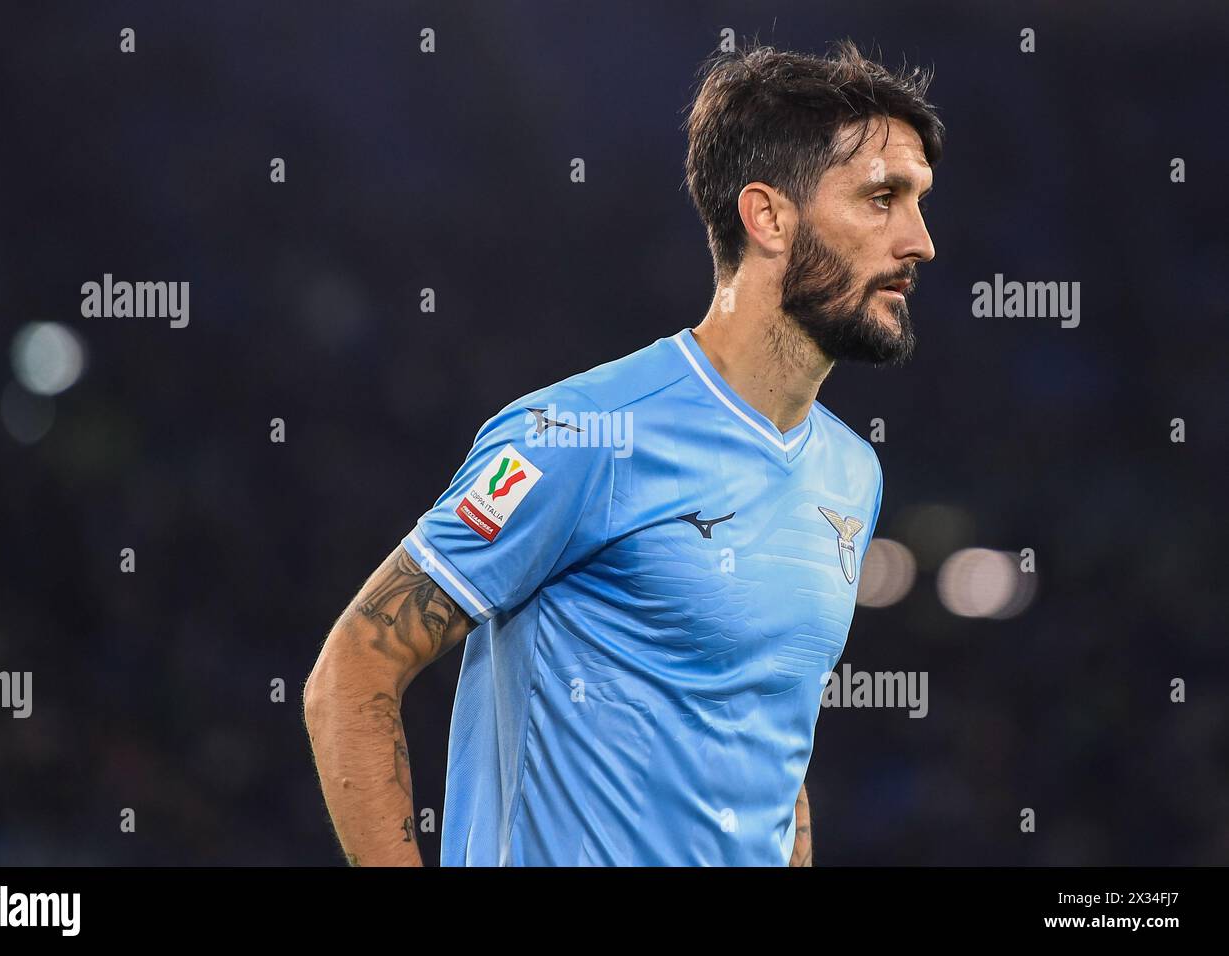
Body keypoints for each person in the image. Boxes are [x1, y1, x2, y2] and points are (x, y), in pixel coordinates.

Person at [304, 38, 942, 866]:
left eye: (921, 201)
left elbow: (771, 741)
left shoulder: (853, 474)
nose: (921, 241)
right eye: (882, 198)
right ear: (769, 216)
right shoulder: (572, 434)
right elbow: (351, 676)